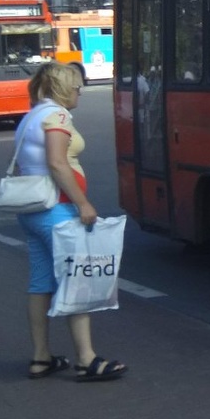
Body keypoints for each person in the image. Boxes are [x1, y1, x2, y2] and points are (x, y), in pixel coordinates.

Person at [14, 61, 126, 382]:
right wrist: (83, 202)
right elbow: (57, 163)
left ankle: (41, 357)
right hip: (58, 211)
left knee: (40, 284)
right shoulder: (58, 116)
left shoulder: (31, 116)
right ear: (64, 88)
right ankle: (86, 359)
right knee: (77, 280)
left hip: (33, 212)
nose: (80, 92)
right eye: (77, 87)